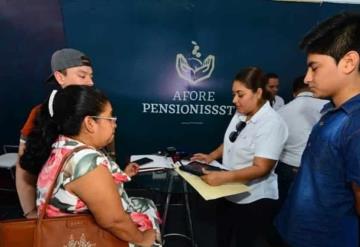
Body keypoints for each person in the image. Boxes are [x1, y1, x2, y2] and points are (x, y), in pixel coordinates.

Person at [20, 85, 161, 247]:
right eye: (110, 118)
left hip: (62, 233)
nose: (114, 124)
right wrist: (143, 239)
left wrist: (121, 173)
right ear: (90, 123)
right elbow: (114, 221)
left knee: (146, 203)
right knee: (152, 232)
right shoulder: (85, 161)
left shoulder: (61, 145)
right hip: (83, 238)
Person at [275, 12, 360, 247]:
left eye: (315, 67)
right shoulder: (331, 112)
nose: (308, 78)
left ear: (349, 62)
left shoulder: (356, 124)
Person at [192, 67, 288, 247]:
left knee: (244, 240)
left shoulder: (272, 123)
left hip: (252, 198)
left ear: (258, 92)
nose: (234, 100)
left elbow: (262, 168)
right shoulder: (241, 112)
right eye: (234, 94)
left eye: (240, 94)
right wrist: (211, 156)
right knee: (222, 236)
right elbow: (230, 141)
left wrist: (223, 177)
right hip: (228, 190)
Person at [16, 48, 98, 219]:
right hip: (57, 216)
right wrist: (31, 214)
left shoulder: (99, 110)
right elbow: (24, 170)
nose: (90, 82)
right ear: (60, 77)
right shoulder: (40, 114)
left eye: (91, 76)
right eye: (82, 76)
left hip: (97, 206)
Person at [276, 75, 328, 204]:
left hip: (287, 167)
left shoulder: (281, 112)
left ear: (294, 93)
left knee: (284, 208)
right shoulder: (329, 108)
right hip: (318, 168)